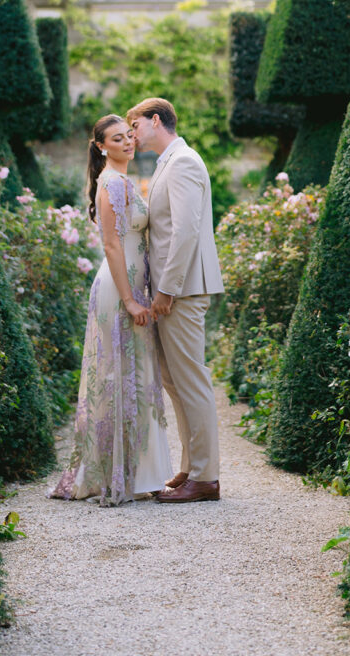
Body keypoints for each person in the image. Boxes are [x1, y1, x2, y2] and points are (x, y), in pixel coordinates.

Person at [50, 114, 172, 504]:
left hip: (132, 284)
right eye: (117, 139)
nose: (127, 142)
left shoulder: (124, 180)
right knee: (122, 376)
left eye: (129, 136)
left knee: (132, 374)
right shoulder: (113, 182)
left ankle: (138, 470)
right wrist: (130, 300)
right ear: (101, 146)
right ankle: (122, 473)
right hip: (119, 291)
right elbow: (112, 246)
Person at [127, 98, 224, 503]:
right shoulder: (168, 161)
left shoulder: (183, 161)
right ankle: (191, 466)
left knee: (190, 380)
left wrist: (166, 288)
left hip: (182, 288)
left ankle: (206, 478)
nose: (131, 133)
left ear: (155, 120)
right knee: (174, 380)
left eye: (135, 125)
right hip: (173, 287)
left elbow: (186, 230)